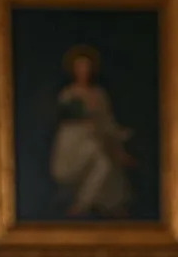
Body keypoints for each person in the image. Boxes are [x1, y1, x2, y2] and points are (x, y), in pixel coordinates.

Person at [51, 45, 133, 218]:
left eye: (87, 67)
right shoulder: (68, 94)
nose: (84, 71)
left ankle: (86, 204)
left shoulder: (99, 94)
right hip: (73, 142)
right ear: (74, 70)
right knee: (100, 160)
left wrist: (118, 145)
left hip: (97, 138)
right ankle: (81, 204)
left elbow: (107, 121)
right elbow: (66, 118)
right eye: (80, 67)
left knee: (106, 163)